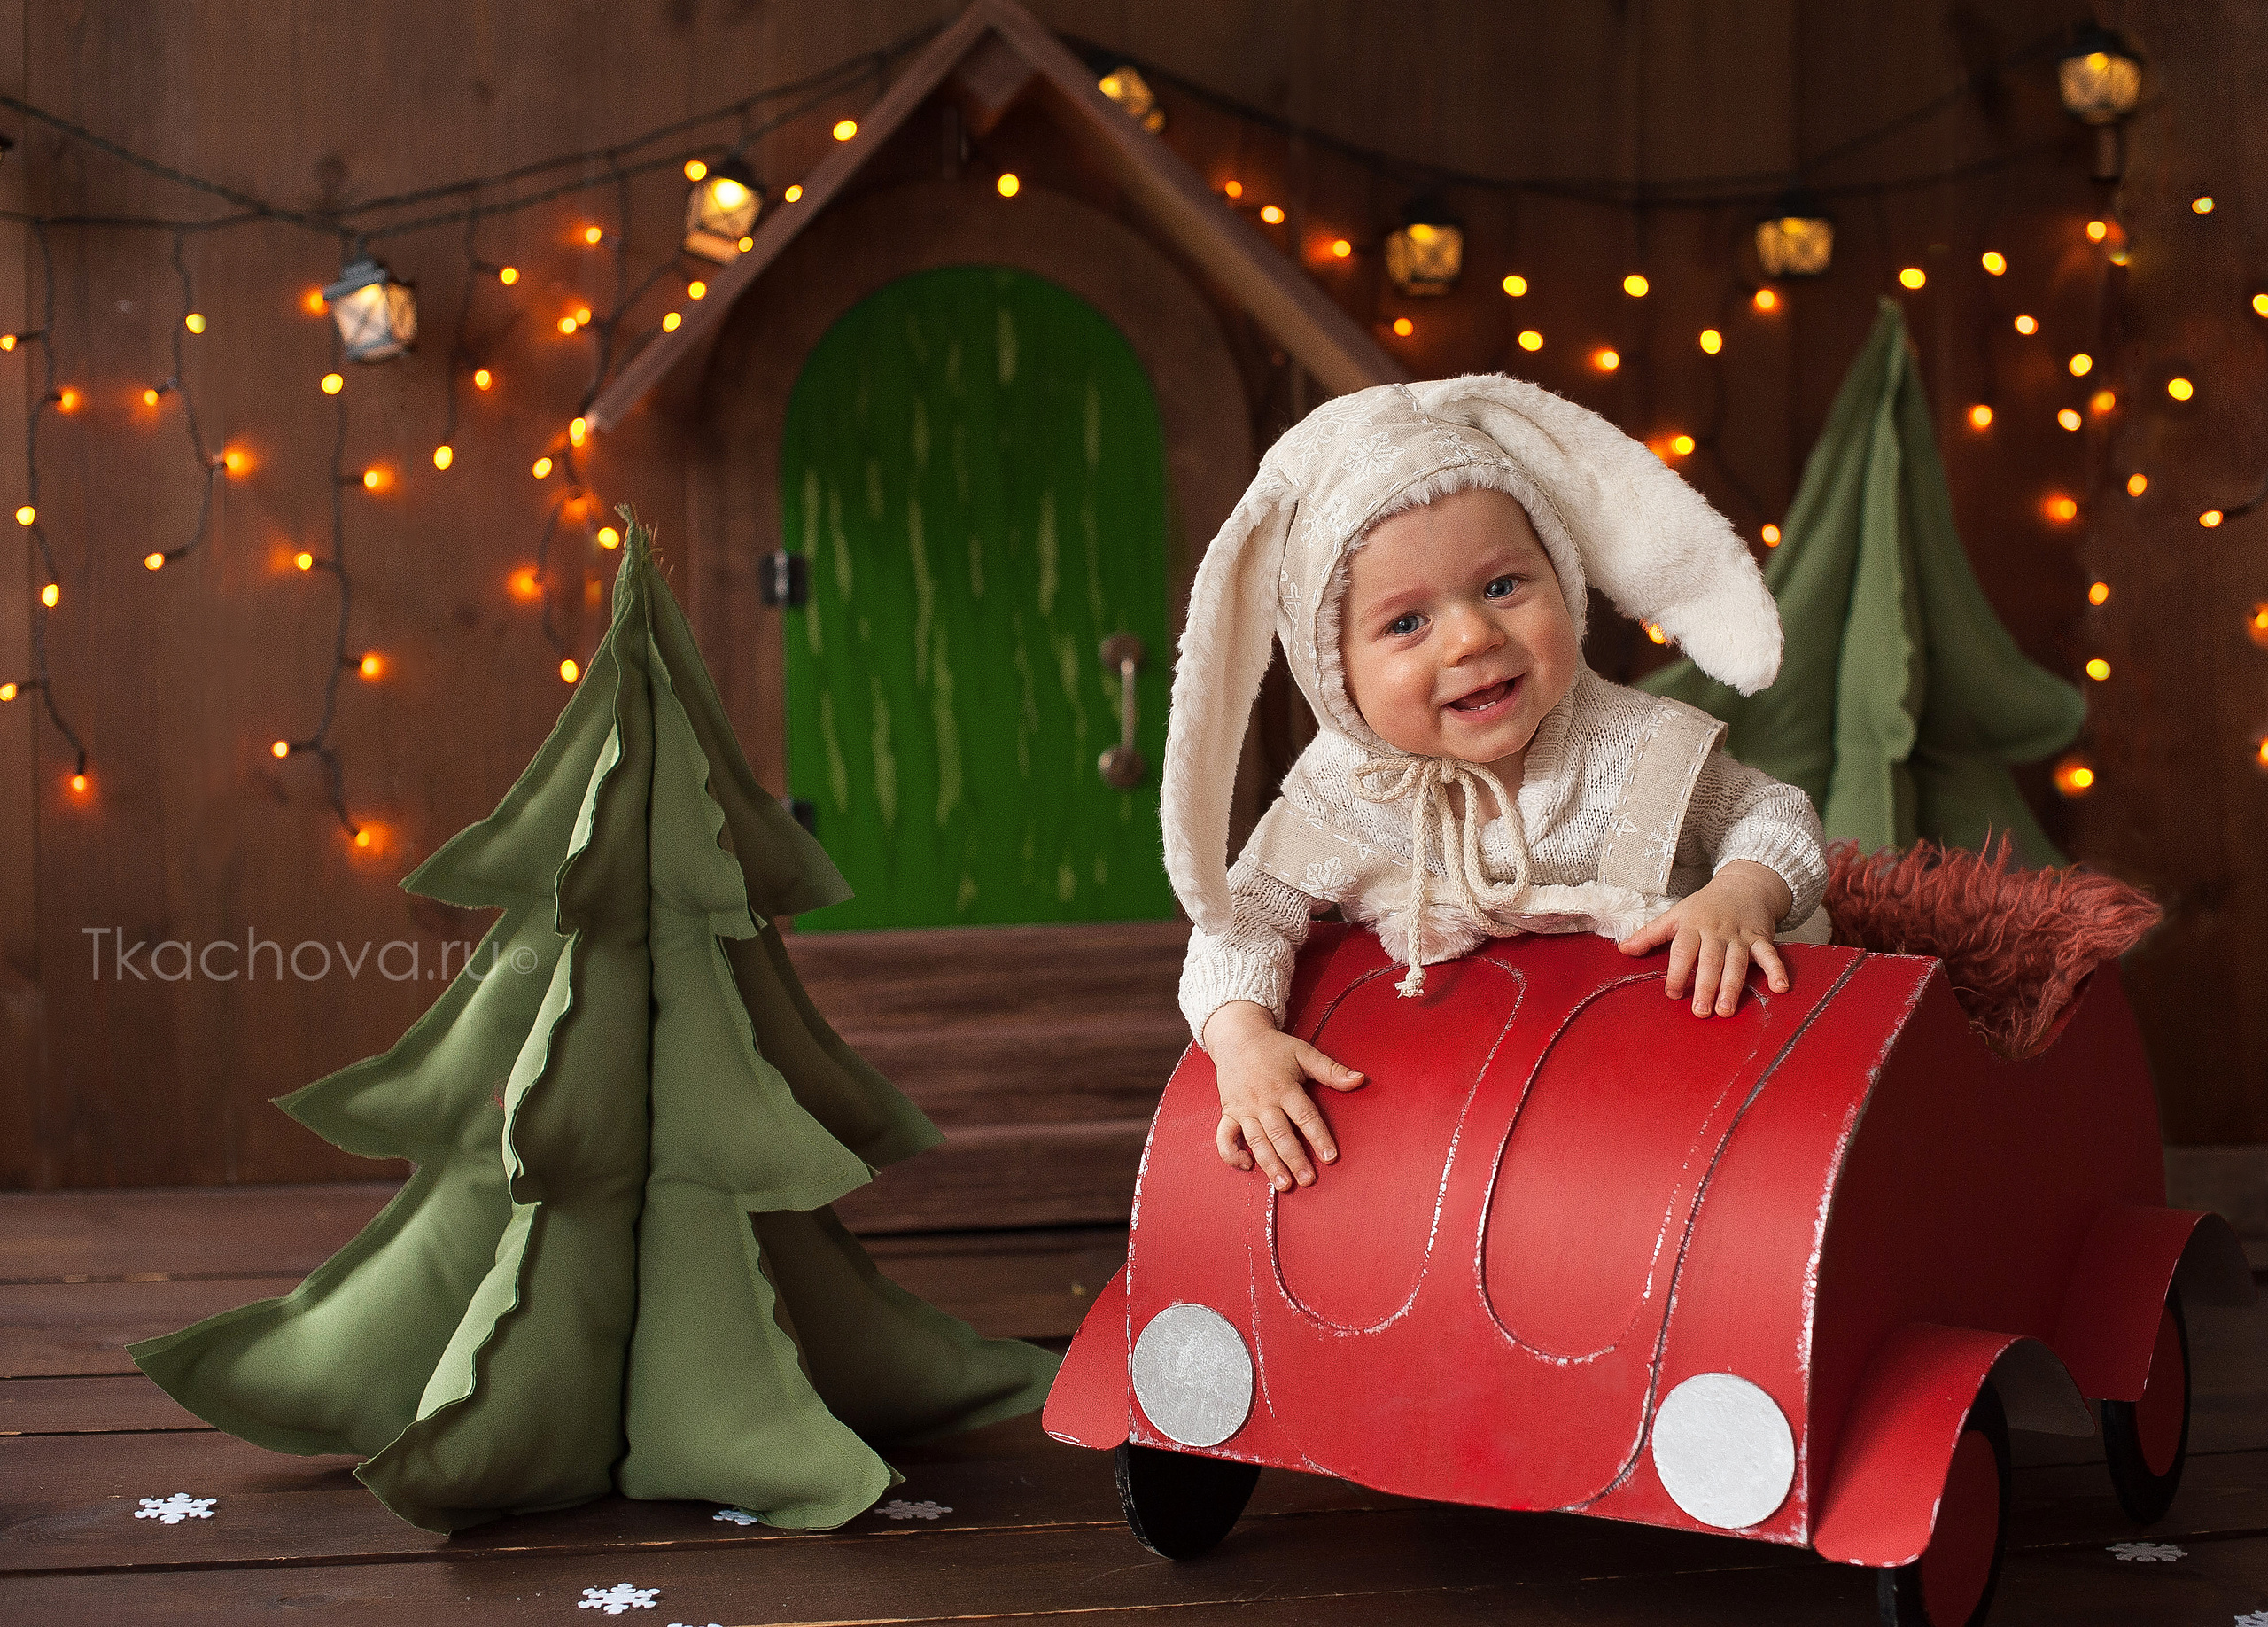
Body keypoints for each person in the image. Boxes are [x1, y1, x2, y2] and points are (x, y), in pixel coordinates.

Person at [1161, 377, 1827, 1195]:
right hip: (1476, 1109)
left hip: (1680, 1077)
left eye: (1502, 586)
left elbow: (1773, 814)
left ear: (1563, 577)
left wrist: (1742, 893)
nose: (1473, 637)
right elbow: (1239, 922)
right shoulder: (1346, 791)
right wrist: (1241, 1040)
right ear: (1334, 671)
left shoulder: (1632, 745)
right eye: (1407, 623)